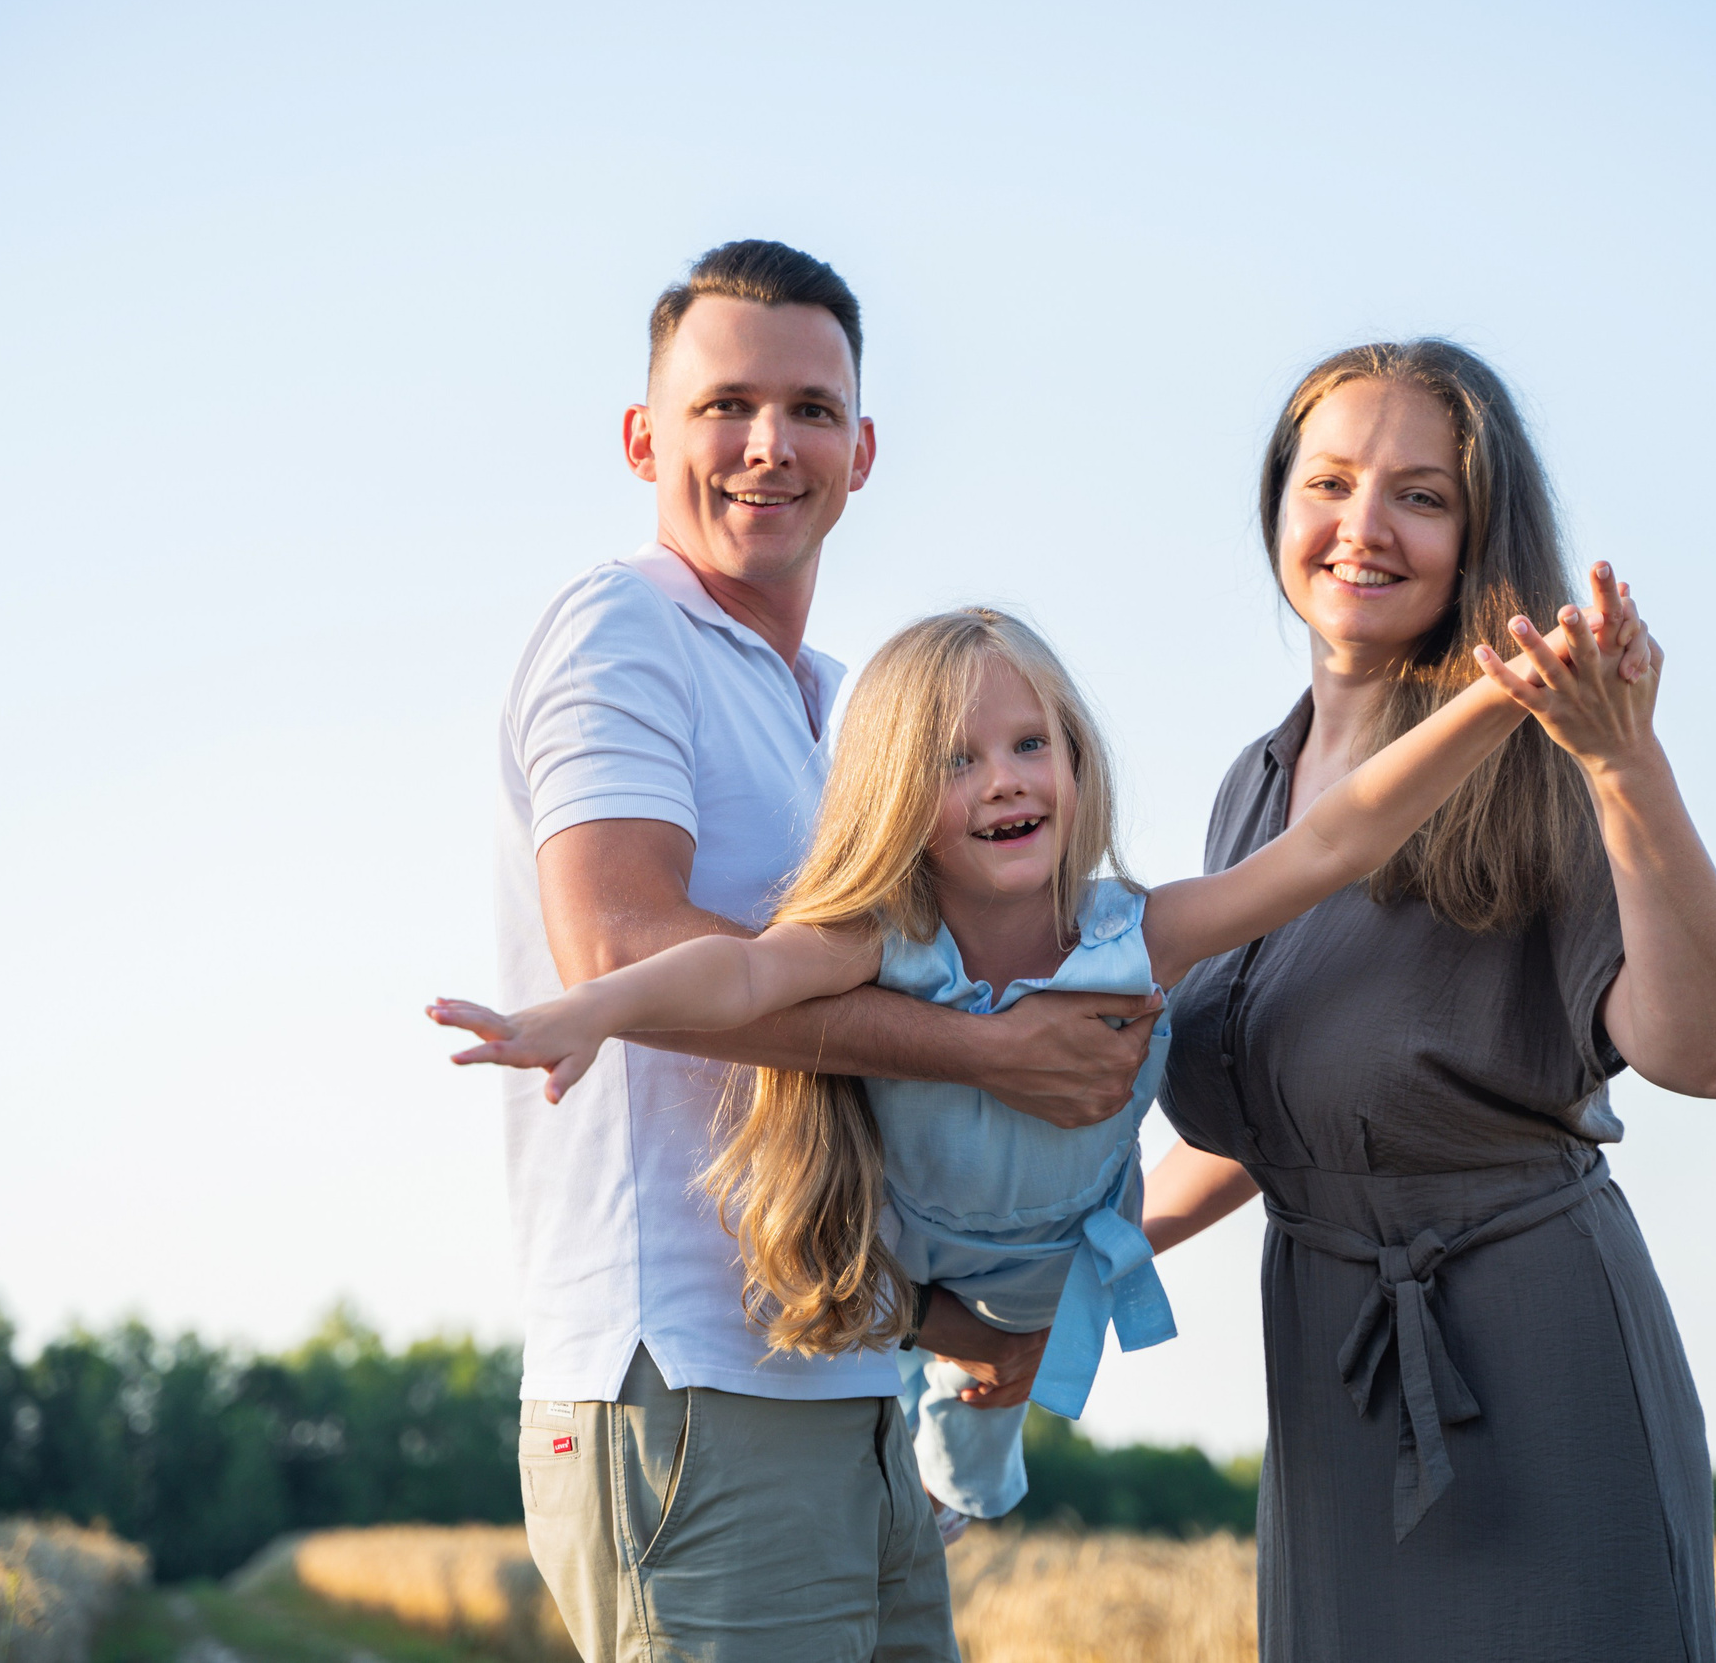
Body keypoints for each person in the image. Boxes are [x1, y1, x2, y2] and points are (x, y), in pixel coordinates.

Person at [433, 596, 1645, 1539]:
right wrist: (589, 1008)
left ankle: (967, 1497)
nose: (1005, 777)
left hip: (1053, 1274)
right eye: (958, 761)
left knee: (979, 1449)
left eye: (1030, 744)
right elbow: (740, 979)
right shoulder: (881, 943)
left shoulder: (1133, 936)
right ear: (899, 799)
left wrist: (1497, 702)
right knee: (924, 1394)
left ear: (1074, 764)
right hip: (903, 1262)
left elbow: (1329, 840)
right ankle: (945, 1472)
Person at [460, 239, 1171, 1663]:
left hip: (849, 1379)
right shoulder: (621, 631)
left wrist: (943, 1310)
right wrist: (983, 1050)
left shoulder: (848, 705)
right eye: (725, 404)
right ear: (642, 435)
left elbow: (861, 1054)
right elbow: (623, 942)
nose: (767, 445)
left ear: (862, 449)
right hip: (687, 1386)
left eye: (809, 408)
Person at [1141, 340, 1716, 1663]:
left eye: (1419, 495)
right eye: (1331, 481)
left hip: (1534, 1358)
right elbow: (1270, 1113)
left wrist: (1626, 763)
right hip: (1329, 1374)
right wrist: (1063, 1264)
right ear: (1278, 505)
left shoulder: (1547, 758)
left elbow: (1709, 1049)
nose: (1362, 526)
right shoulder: (1254, 781)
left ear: (1481, 535)